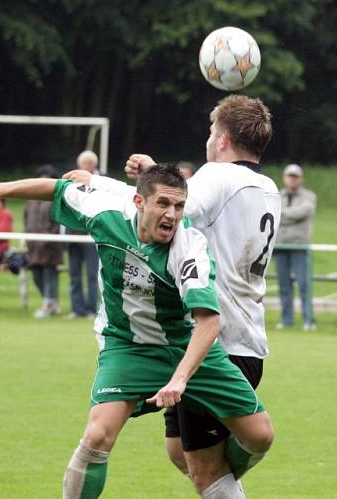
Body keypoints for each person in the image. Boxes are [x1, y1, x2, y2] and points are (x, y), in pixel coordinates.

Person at [0, 164, 274, 498]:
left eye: (179, 206)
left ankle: (221, 481)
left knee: (260, 436)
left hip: (186, 347)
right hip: (128, 346)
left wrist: (179, 379)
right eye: (163, 204)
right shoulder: (105, 212)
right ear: (139, 202)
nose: (173, 215)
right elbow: (57, 187)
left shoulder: (190, 247)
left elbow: (209, 323)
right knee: (96, 436)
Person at [75, 95, 279, 494]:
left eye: (210, 131)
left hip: (212, 343)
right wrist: (152, 170)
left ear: (221, 139)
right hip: (249, 336)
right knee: (179, 452)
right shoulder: (267, 187)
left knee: (207, 471)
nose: (208, 139)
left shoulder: (217, 176)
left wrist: (94, 186)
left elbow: (169, 206)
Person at [274, 164, 317, 331]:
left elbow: (304, 212)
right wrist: (289, 215)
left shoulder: (309, 196)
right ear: (285, 178)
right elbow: (273, 212)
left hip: (300, 246)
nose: (292, 179)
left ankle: (309, 320)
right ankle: (286, 320)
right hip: (280, 246)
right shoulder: (277, 195)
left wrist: (282, 214)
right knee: (284, 286)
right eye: (289, 176)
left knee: (304, 284)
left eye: (295, 176)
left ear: (300, 178)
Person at [25, 164, 63, 318]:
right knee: (36, 276)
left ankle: (48, 305)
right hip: (33, 246)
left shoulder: (56, 201)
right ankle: (51, 302)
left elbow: (59, 224)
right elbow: (26, 220)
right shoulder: (31, 201)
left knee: (49, 275)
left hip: (50, 246)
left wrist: (47, 239)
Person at [66, 150, 100, 318]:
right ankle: (76, 309)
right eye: (84, 163)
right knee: (74, 274)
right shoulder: (70, 184)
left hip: (93, 237)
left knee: (93, 275)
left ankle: (91, 309)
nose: (87, 166)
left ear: (95, 165)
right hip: (73, 235)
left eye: (89, 163)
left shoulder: (103, 183)